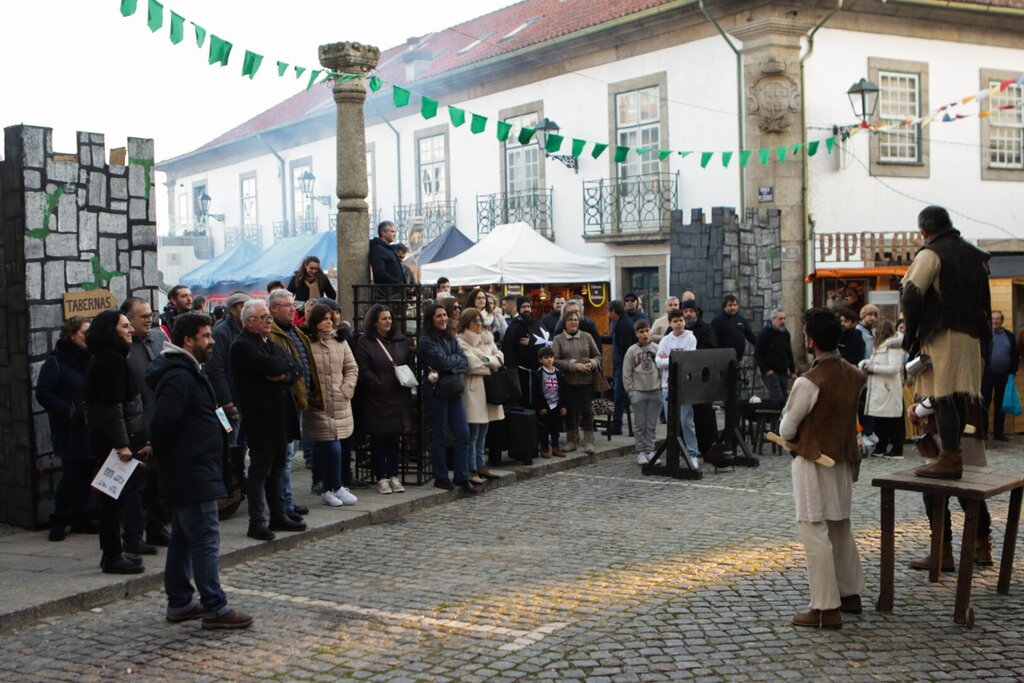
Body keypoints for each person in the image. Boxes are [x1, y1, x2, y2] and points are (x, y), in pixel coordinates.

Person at [146, 312, 253, 630]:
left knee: (182, 536)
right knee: (206, 538)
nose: (211, 341)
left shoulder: (189, 370)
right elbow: (163, 423)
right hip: (190, 471)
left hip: (195, 468)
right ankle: (215, 607)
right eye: (206, 336)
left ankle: (179, 601)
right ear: (188, 340)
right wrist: (173, 458)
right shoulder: (179, 375)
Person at [778, 308, 866, 629]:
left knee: (815, 530)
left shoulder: (808, 382)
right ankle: (850, 594)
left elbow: (787, 429)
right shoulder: (855, 374)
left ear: (811, 340)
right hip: (842, 461)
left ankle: (826, 608)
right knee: (840, 527)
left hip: (814, 463)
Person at [901, 205, 992, 479]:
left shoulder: (932, 253)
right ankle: (954, 455)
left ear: (923, 231)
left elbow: (912, 292)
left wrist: (911, 333)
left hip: (943, 332)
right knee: (957, 395)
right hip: (971, 334)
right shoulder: (974, 255)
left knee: (942, 396)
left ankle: (950, 457)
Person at [230, 300, 305, 541]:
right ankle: (257, 521)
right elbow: (272, 365)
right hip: (260, 417)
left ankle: (278, 514)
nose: (268, 321)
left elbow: (295, 366)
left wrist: (282, 374)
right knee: (260, 470)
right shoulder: (242, 346)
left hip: (279, 415)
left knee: (277, 467)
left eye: (268, 317)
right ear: (249, 321)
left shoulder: (267, 343)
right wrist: (282, 370)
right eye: (264, 317)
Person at [84, 310, 150, 574]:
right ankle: (112, 555)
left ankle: (114, 551)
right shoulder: (111, 361)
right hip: (113, 442)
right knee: (112, 500)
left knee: (116, 499)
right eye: (124, 326)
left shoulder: (107, 358)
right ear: (111, 331)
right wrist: (122, 444)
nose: (130, 330)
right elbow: (112, 406)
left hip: (113, 438)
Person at [906, 397, 994, 569]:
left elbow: (943, 392)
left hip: (947, 434)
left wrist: (919, 410)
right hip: (969, 427)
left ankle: (942, 552)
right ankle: (982, 547)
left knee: (934, 493)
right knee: (969, 491)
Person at [120, 297, 171, 555]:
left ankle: (157, 527)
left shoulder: (159, 338)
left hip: (161, 421)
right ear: (128, 319)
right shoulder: (124, 349)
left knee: (158, 482)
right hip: (137, 426)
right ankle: (132, 535)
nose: (149, 319)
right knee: (136, 485)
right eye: (143, 316)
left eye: (150, 314)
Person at [36, 317, 95, 542]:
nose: (88, 337)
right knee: (72, 474)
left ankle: (80, 517)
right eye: (84, 333)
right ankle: (60, 519)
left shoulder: (91, 358)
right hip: (70, 428)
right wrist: (69, 410)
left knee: (87, 472)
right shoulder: (57, 362)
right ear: (71, 335)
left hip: (90, 426)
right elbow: (43, 392)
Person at [301, 304, 360, 505]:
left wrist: (347, 389)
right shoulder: (307, 342)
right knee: (331, 447)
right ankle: (334, 486)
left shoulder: (340, 342)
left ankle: (329, 487)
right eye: (324, 318)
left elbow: (351, 367)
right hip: (319, 404)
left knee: (333, 446)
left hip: (340, 401)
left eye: (330, 318)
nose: (329, 321)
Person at [268, 289, 319, 517]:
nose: (292, 309)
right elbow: (283, 368)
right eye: (286, 305)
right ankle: (284, 503)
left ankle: (288, 500)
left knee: (288, 455)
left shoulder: (296, 332)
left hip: (299, 400)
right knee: (285, 456)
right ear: (273, 308)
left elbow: (302, 366)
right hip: (283, 403)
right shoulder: (273, 335)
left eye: (292, 305)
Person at [355, 304, 415, 494]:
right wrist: (379, 384)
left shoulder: (400, 340)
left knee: (395, 439)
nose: (388, 321)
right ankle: (381, 476)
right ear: (374, 321)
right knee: (380, 439)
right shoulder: (366, 342)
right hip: (378, 399)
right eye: (384, 318)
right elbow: (363, 369)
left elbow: (409, 362)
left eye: (390, 318)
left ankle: (393, 475)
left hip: (398, 397)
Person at [418, 303, 477, 493]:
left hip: (452, 389)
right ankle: (441, 476)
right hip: (436, 391)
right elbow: (440, 361)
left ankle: (461, 476)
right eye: (439, 316)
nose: (443, 318)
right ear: (431, 320)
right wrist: (450, 364)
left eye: (444, 315)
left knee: (463, 433)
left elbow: (463, 361)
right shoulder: (426, 340)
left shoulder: (450, 337)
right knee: (440, 434)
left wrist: (448, 366)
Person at [456, 307, 504, 482]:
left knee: (484, 431)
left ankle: (481, 465)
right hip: (473, 390)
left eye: (480, 320)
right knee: (473, 431)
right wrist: (489, 362)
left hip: (489, 388)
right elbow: (472, 365)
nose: (478, 324)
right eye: (474, 321)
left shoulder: (486, 339)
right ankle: (472, 468)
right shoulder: (461, 341)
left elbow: (499, 357)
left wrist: (486, 360)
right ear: (466, 322)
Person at [553, 309, 602, 454]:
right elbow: (554, 361)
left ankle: (588, 441)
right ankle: (571, 441)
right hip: (568, 382)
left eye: (575, 319)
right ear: (564, 323)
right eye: (570, 320)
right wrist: (574, 365)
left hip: (586, 381)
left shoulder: (587, 337)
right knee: (570, 412)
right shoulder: (558, 339)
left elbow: (598, 355)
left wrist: (592, 363)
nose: (573, 322)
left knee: (587, 411)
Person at [656, 310, 699, 466]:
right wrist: (674, 360)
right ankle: (674, 453)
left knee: (686, 420)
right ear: (670, 323)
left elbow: (688, 360)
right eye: (675, 321)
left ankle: (692, 453)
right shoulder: (665, 340)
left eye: (680, 320)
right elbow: (658, 362)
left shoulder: (690, 338)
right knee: (671, 423)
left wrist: (669, 358)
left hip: (684, 386)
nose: (679, 323)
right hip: (668, 386)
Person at [206, 292, 250, 441]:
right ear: (233, 310)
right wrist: (226, 399)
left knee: (242, 442)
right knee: (231, 441)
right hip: (230, 399)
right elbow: (216, 368)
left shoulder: (245, 330)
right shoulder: (221, 332)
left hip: (243, 397)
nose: (247, 312)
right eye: (244, 307)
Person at [862, 319, 906, 458]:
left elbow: (894, 368)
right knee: (880, 420)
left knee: (892, 421)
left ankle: (896, 449)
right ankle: (881, 447)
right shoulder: (880, 345)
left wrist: (874, 368)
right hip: (880, 388)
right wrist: (865, 363)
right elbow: (876, 361)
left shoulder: (892, 346)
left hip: (888, 389)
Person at [623, 318, 661, 465]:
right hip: (639, 391)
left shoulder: (657, 348)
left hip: (655, 390)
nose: (645, 334)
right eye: (641, 331)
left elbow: (663, 368)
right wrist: (631, 391)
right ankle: (640, 451)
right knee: (640, 425)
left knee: (652, 424)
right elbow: (626, 373)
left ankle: (650, 450)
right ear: (636, 333)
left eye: (647, 330)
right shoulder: (632, 351)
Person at [683, 300, 719, 452]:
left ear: (696, 313)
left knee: (703, 413)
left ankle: (705, 445)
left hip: (702, 378)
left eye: (691, 311)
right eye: (685, 311)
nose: (688, 314)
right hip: (684, 379)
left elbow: (710, 349)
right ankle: (684, 445)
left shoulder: (705, 328)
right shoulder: (678, 328)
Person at [981, 310, 1018, 441]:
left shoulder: (1009, 336)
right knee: (984, 403)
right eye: (993, 319)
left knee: (1000, 405)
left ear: (1002, 320)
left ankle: (998, 433)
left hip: (1004, 375)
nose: (995, 321)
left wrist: (1013, 371)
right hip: (987, 375)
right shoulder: (985, 336)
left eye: (998, 319)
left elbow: (1014, 354)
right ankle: (983, 432)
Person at [503, 296, 546, 402]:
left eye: (528, 306)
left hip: (538, 372)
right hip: (520, 374)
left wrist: (532, 342)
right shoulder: (513, 327)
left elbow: (547, 343)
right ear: (518, 309)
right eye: (523, 307)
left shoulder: (538, 324)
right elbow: (507, 350)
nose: (526, 309)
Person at [755, 309, 798, 406]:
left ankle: (777, 420)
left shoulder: (786, 334)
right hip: (770, 371)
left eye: (784, 318)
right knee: (778, 398)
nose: (783, 321)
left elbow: (789, 352)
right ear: (773, 319)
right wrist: (766, 370)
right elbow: (758, 354)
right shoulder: (765, 333)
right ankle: (774, 419)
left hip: (782, 371)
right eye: (780, 318)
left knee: (783, 398)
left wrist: (793, 371)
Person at [607, 300, 637, 436]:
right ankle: (617, 424)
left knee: (619, 395)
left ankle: (617, 424)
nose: (608, 314)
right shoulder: (622, 322)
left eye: (609, 311)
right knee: (619, 395)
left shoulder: (623, 325)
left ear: (614, 311)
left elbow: (625, 348)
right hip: (621, 364)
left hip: (623, 365)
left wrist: (625, 367)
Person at [532, 347, 567, 458]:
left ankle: (556, 447)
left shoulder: (559, 373)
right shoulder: (538, 374)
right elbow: (535, 393)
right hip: (545, 406)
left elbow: (564, 391)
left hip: (556, 404)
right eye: (546, 358)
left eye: (551, 357)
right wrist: (539, 407)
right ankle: (545, 448)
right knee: (544, 429)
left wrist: (564, 406)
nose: (549, 360)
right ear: (540, 360)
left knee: (556, 428)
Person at [710, 294, 757, 363]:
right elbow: (712, 339)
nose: (733, 307)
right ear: (724, 307)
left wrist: (760, 344)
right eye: (730, 305)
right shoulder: (717, 321)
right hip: (722, 359)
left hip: (738, 359)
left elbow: (750, 335)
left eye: (735, 305)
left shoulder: (741, 319)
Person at [369, 222, 404, 286]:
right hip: (389, 292)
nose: (395, 234)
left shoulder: (389, 249)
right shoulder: (378, 249)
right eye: (392, 231)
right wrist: (395, 281)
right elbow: (379, 272)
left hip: (397, 291)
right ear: (383, 232)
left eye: (395, 232)